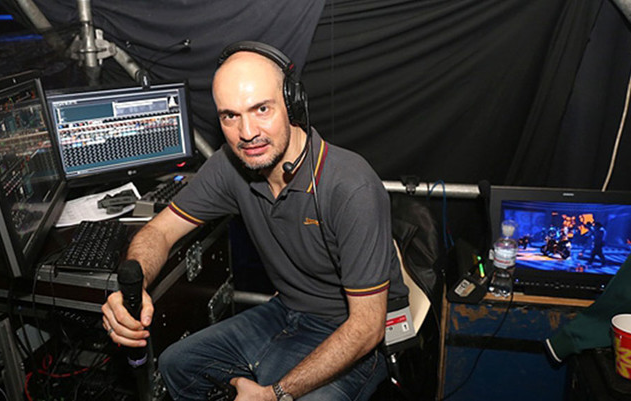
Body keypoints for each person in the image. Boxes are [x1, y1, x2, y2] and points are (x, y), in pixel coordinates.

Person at [101, 41, 408, 401]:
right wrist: (133, 288)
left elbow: (367, 328)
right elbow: (160, 230)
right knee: (176, 364)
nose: (247, 133)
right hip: (287, 310)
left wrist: (274, 394)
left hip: (352, 331)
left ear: (293, 103)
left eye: (261, 109)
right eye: (230, 116)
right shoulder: (230, 166)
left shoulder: (351, 186)